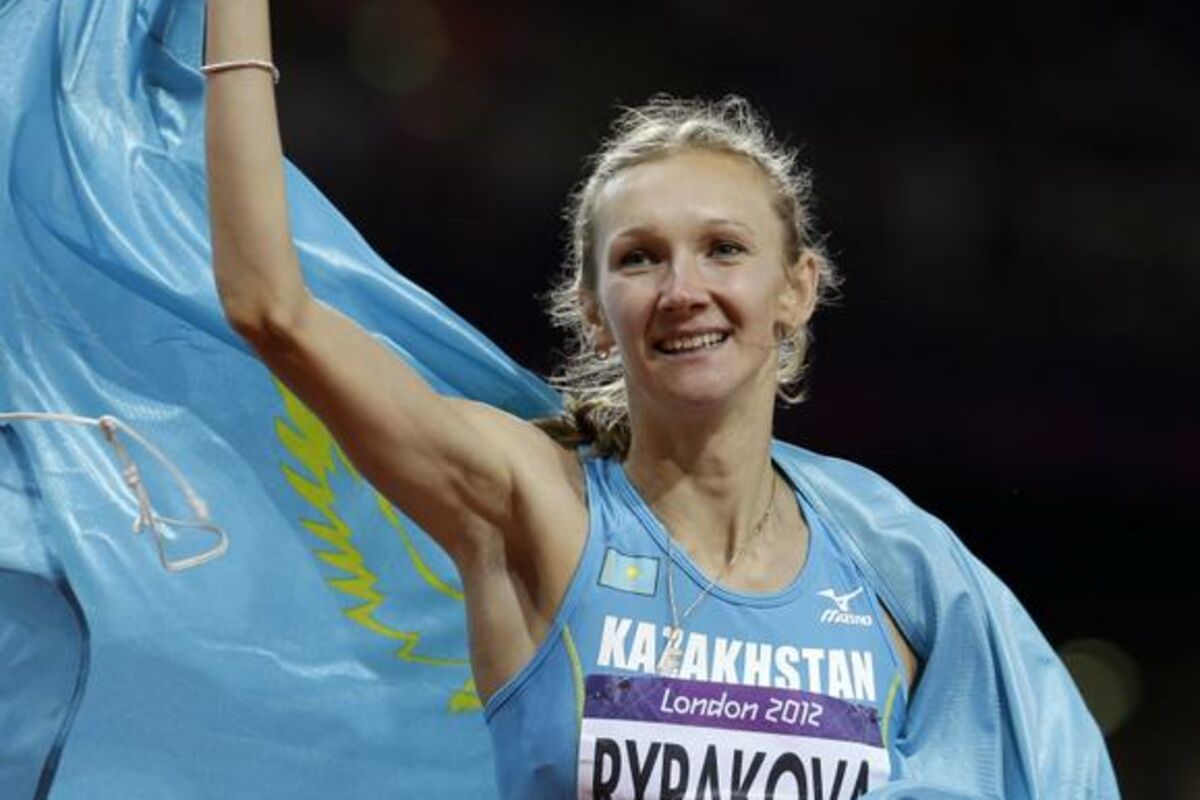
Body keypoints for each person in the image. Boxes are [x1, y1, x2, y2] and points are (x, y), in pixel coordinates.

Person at [205, 3, 1117, 799]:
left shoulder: (899, 569)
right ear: (592, 313)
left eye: (725, 249)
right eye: (640, 258)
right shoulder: (539, 512)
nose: (683, 290)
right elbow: (270, 308)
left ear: (796, 289)